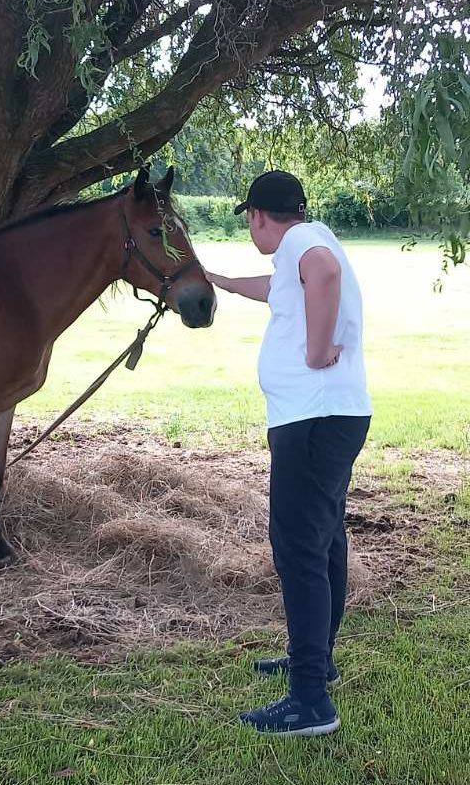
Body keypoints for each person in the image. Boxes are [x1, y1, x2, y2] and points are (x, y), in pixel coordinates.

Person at [206, 170, 372, 737]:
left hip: (313, 420)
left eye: (249, 220)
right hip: (331, 417)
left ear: (257, 216)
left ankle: (310, 701)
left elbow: (321, 273)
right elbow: (279, 287)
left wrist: (317, 352)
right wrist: (222, 281)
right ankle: (317, 663)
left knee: (299, 551)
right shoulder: (308, 241)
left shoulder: (304, 245)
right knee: (324, 543)